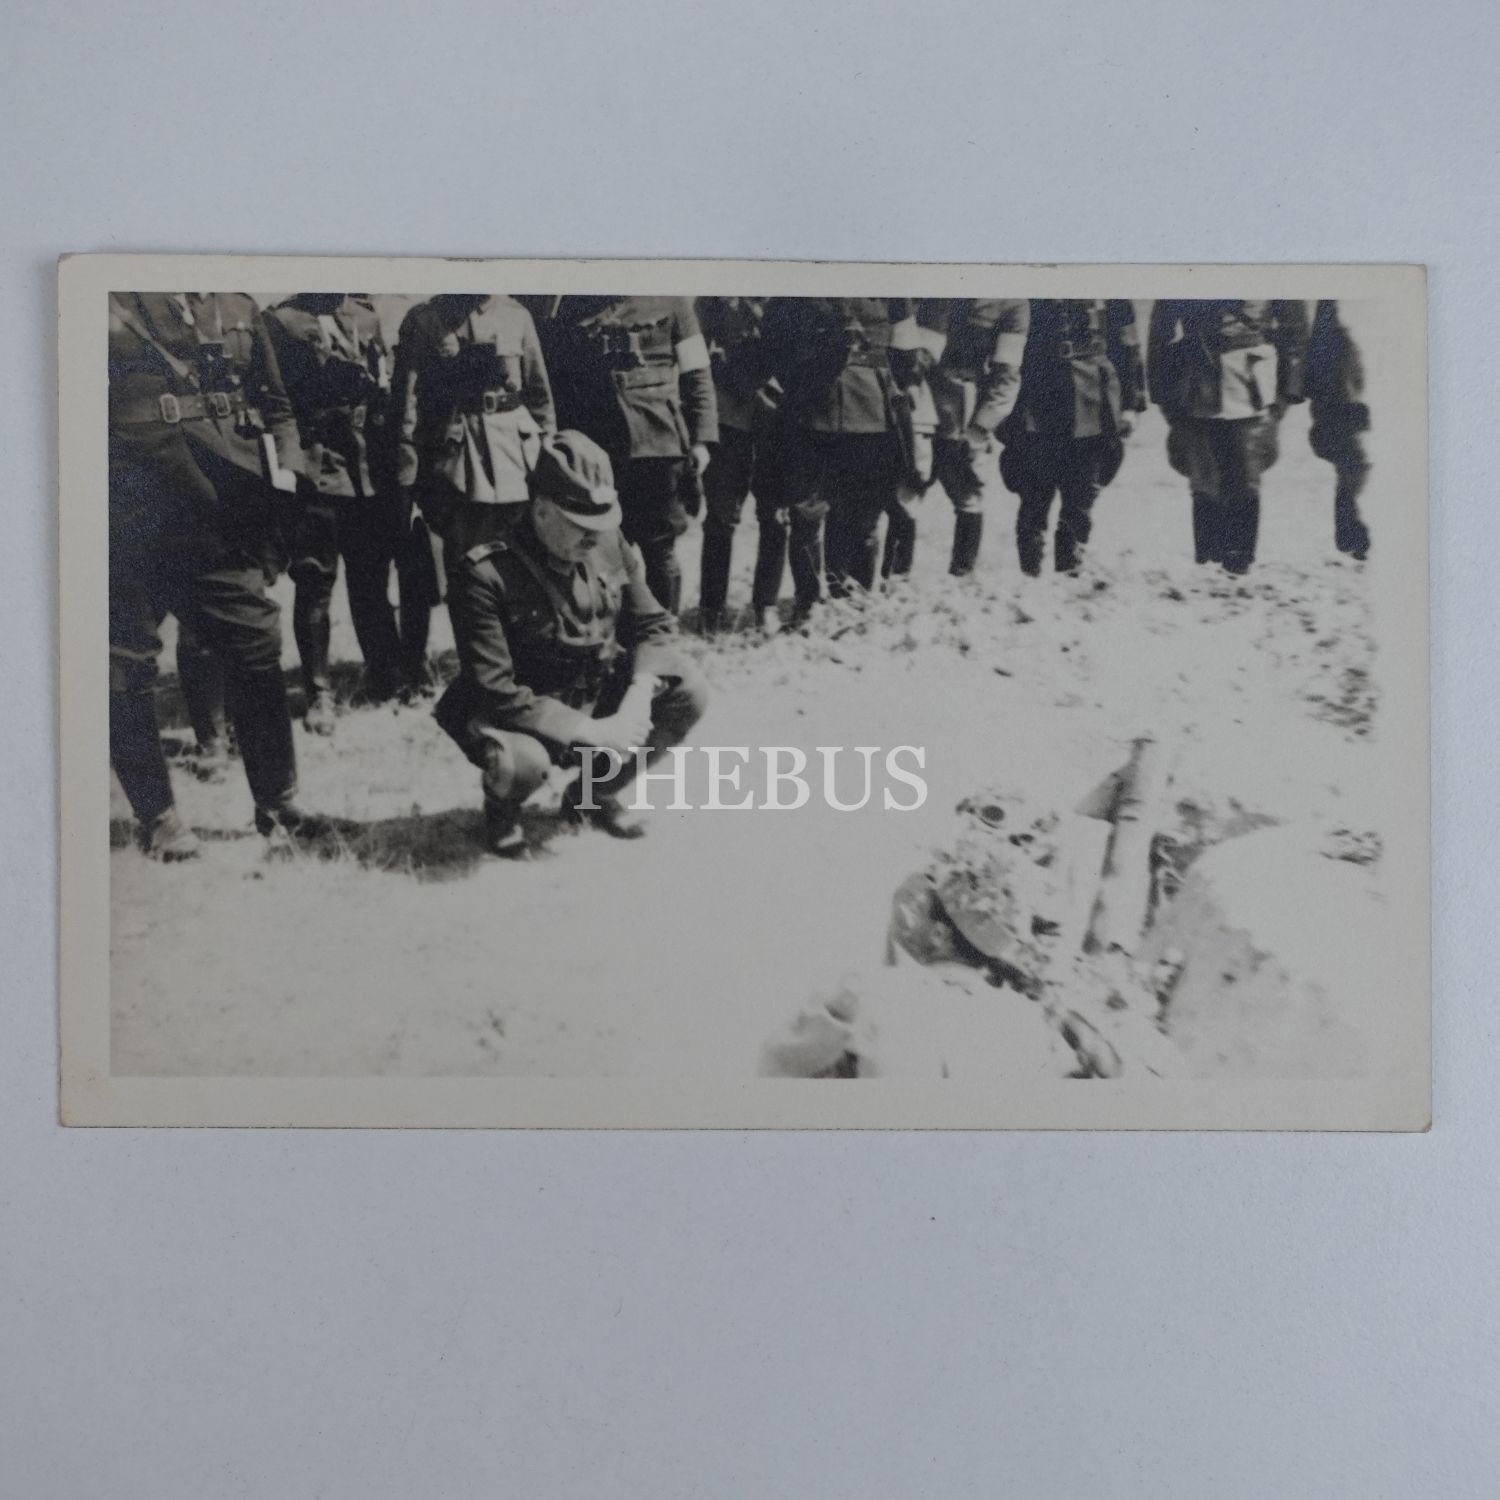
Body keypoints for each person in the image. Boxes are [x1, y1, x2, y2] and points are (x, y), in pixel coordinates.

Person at [107, 291, 324, 858]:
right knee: (125, 663)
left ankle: (278, 803)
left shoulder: (233, 301)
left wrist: (289, 468)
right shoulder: (107, 294)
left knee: (255, 640)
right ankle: (157, 817)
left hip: (215, 506)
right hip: (127, 506)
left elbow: (275, 403)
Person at [434, 430, 709, 857]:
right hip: (521, 713)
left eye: (600, 524)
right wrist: (594, 731)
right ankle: (502, 809)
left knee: (688, 691)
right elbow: (495, 690)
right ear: (541, 510)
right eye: (580, 526)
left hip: (589, 689)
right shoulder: (485, 573)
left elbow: (653, 624)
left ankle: (590, 795)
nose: (593, 538)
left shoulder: (606, 540)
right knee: (521, 762)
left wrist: (638, 697)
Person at [263, 293, 429, 725]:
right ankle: (319, 692)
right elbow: (276, 402)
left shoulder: (363, 315)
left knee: (370, 579)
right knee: (315, 582)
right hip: (318, 466)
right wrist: (291, 467)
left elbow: (382, 388)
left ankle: (385, 673)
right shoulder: (282, 322)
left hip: (365, 467)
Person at [534, 296, 718, 614]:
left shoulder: (673, 301)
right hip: (597, 450)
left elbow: (697, 375)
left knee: (660, 548)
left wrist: (702, 440)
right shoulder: (574, 305)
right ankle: (615, 630)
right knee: (603, 547)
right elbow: (556, 380)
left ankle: (663, 629)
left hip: (657, 442)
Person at [762, 296, 925, 604]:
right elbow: (906, 358)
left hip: (834, 407)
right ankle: (835, 600)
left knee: (825, 512)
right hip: (849, 407)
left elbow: (907, 355)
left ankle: (829, 601)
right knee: (837, 512)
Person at [393, 293, 555, 574]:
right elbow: (407, 400)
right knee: (466, 558)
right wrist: (409, 467)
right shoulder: (426, 319)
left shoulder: (517, 314)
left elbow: (539, 396)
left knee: (521, 556)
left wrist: (550, 453)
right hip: (459, 458)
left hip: (516, 458)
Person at [1148, 299, 1310, 574]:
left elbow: (1295, 329)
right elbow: (1160, 332)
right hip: (1195, 376)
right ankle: (1208, 557)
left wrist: (1289, 390)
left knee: (1246, 469)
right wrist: (1163, 393)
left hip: (1252, 381)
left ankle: (1239, 558)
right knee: (1203, 470)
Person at [999, 300, 1146, 576]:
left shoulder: (1112, 292)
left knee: (1082, 493)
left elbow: (1128, 349)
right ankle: (1030, 575)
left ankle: (1069, 573)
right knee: (1034, 493)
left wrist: (1130, 405)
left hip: (1093, 401)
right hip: (1037, 396)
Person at [694, 296, 793, 634]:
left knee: (775, 515)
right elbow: (697, 354)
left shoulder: (789, 294)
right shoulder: (715, 296)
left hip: (776, 417)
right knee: (721, 517)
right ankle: (711, 608)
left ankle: (766, 605)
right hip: (728, 417)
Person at [913, 298, 1030, 576]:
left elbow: (1007, 374)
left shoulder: (1012, 303)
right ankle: (895, 577)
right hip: (918, 397)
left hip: (963, 410)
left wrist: (982, 425)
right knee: (906, 489)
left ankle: (962, 575)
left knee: (967, 492)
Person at [1306, 299, 1372, 560]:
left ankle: (1349, 537)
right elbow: (1350, 385)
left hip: (1327, 422)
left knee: (1349, 476)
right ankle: (1352, 536)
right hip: (1341, 420)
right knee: (1354, 472)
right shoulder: (1341, 344)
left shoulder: (1319, 345)